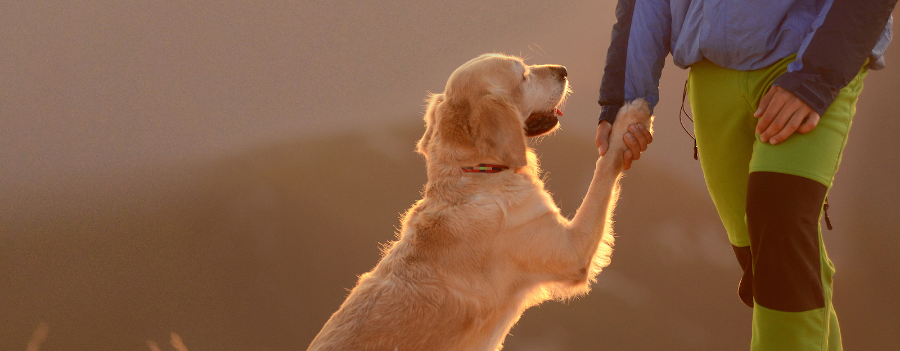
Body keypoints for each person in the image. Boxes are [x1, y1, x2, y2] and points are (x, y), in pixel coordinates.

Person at [594, 1, 896, 350]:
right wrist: (626, 100)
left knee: (781, 231)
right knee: (764, 262)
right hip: (712, 72)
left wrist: (817, 75)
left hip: (808, 55)